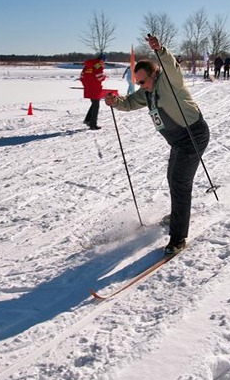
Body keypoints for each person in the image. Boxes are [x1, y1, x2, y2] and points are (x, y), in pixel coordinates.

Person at [105, 35, 210, 255]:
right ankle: (178, 214)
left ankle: (178, 237)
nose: (142, 86)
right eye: (139, 83)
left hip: (193, 135)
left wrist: (160, 50)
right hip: (178, 141)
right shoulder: (147, 92)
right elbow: (131, 102)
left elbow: (170, 66)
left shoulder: (169, 80)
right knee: (173, 178)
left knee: (180, 181)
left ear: (154, 74)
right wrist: (116, 102)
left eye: (143, 81)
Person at [80, 53, 107, 130]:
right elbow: (99, 77)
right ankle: (93, 125)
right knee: (96, 106)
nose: (104, 63)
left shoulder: (87, 65)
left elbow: (82, 77)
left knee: (94, 103)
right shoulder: (98, 65)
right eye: (104, 61)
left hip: (88, 87)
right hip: (95, 88)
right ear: (101, 60)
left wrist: (86, 85)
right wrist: (104, 77)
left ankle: (88, 120)